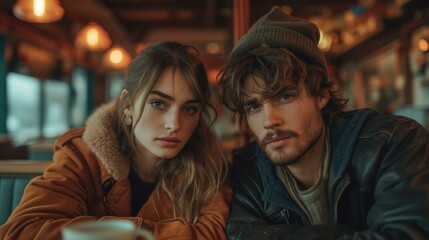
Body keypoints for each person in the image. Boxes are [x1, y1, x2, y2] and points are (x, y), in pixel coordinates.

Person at [217, 6, 429, 240]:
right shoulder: (247, 171)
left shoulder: (393, 142)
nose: (269, 121)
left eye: (285, 96)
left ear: (321, 95)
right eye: (254, 106)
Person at [0, 41, 232, 240]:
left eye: (189, 109)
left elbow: (213, 234)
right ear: (128, 106)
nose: (175, 124)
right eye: (158, 103)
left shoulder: (209, 166)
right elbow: (22, 231)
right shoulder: (83, 155)